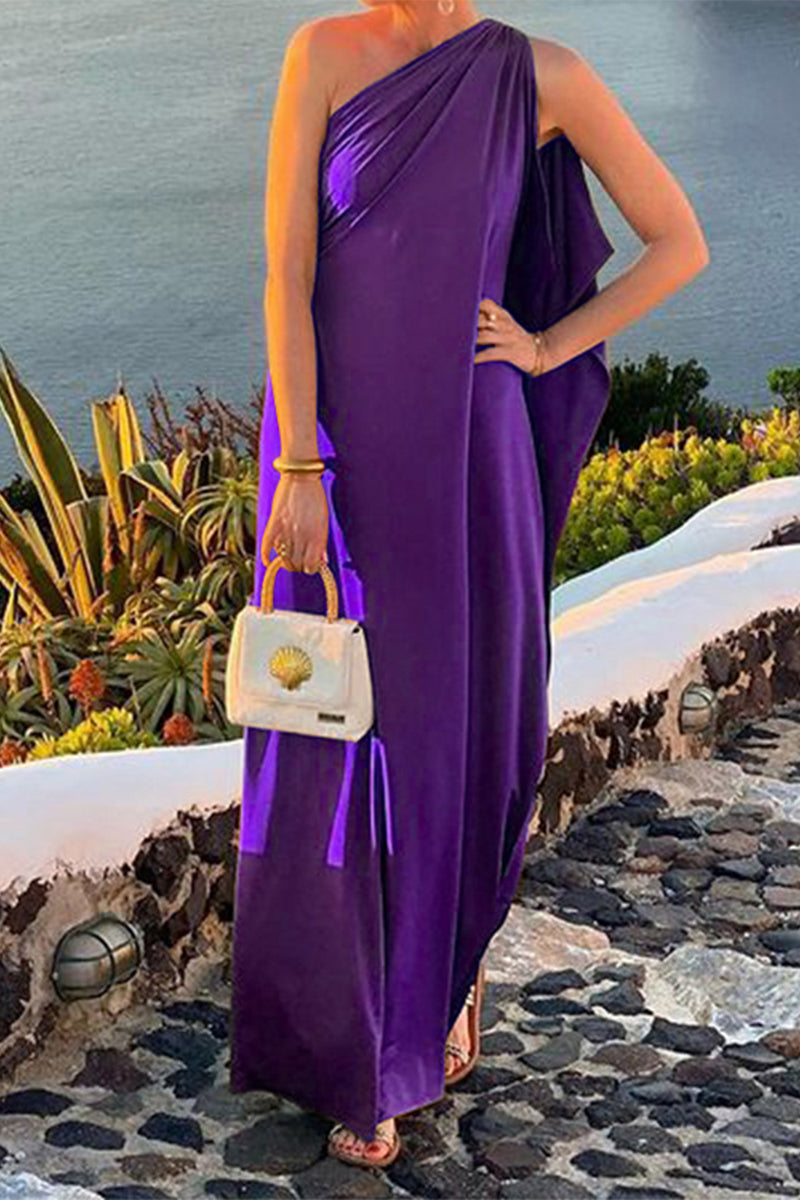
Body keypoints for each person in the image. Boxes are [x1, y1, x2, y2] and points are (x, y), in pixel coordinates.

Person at [229, 0, 709, 1171]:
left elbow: (676, 242)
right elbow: (286, 269)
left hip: (467, 456)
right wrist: (299, 465)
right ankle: (346, 1025)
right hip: (331, 457)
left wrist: (543, 347)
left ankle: (419, 1012)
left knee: (454, 736)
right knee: (331, 735)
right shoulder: (322, 52)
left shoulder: (541, 74)